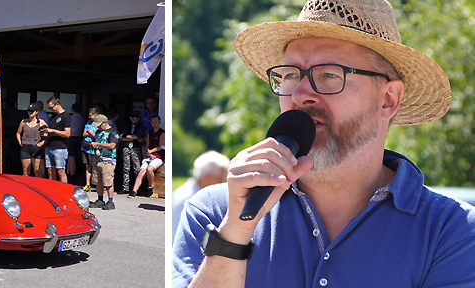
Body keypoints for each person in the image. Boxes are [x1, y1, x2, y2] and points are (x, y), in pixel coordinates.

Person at [173, 1, 475, 287]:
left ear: (388, 100)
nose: (300, 93)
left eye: (330, 74)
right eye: (290, 75)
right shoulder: (215, 212)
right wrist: (234, 234)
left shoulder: (452, 232)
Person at [171, 151, 229, 236]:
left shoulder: (203, 196)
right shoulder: (185, 199)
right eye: (220, 179)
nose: (222, 183)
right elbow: (174, 238)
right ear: (207, 177)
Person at [88, 115, 118, 210]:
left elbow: (112, 145)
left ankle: (110, 201)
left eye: (99, 125)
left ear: (105, 123)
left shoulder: (112, 132)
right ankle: (100, 200)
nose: (98, 127)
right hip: (97, 160)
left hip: (108, 161)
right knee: (98, 181)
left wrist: (98, 144)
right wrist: (95, 148)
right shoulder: (98, 132)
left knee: (108, 181)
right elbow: (96, 145)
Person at [131, 115, 165, 197]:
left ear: (159, 122)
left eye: (156, 122)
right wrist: (148, 153)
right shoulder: (150, 133)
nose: (154, 123)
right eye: (152, 122)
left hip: (159, 156)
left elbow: (161, 146)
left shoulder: (162, 133)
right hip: (150, 156)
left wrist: (151, 152)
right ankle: (134, 191)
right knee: (141, 172)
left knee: (150, 169)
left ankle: (150, 187)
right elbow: (147, 145)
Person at [118, 112, 146, 195]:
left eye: (135, 117)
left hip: (136, 148)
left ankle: (138, 188)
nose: (133, 119)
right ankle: (125, 187)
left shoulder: (141, 126)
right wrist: (132, 137)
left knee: (137, 168)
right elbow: (122, 138)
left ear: (138, 118)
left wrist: (128, 137)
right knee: (126, 168)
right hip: (127, 147)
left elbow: (137, 136)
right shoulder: (127, 126)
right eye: (131, 117)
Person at [17, 102, 48, 177]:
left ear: (36, 112)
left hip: (36, 147)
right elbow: (18, 133)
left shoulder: (41, 122)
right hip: (25, 147)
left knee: (37, 171)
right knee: (25, 171)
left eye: (32, 111)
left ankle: (38, 187)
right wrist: (20, 143)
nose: (30, 112)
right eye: (29, 110)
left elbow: (48, 134)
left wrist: (42, 143)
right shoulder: (23, 121)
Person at [80, 107, 101, 192]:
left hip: (94, 148)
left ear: (95, 115)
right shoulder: (89, 122)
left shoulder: (99, 124)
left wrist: (89, 131)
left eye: (90, 115)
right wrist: (88, 132)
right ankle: (87, 184)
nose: (89, 117)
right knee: (87, 166)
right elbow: (84, 134)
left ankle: (98, 185)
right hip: (86, 147)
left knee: (96, 166)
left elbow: (96, 135)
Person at [67, 103, 85, 179]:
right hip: (78, 138)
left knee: (71, 158)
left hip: (71, 138)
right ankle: (69, 173)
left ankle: (72, 175)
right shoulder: (81, 118)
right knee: (72, 157)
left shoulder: (71, 118)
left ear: (72, 109)